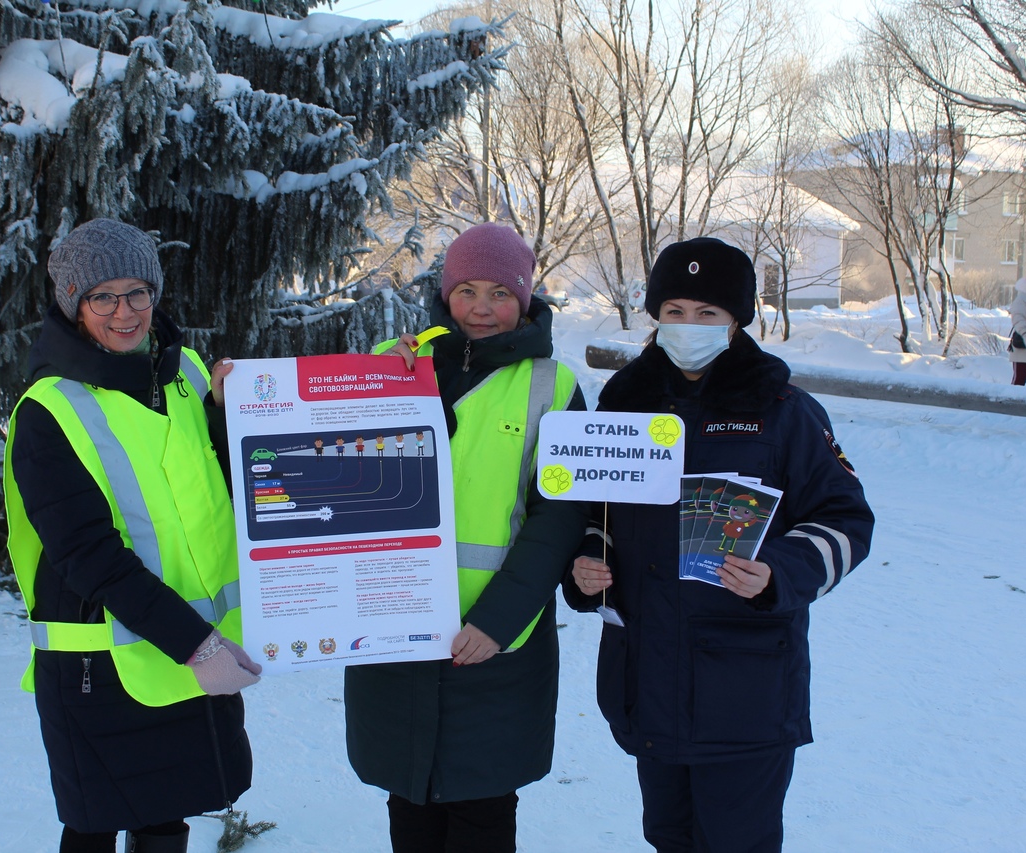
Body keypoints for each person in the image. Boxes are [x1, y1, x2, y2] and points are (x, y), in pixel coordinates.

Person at [565, 237, 874, 853]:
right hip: (644, 676)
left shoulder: (784, 411)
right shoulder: (622, 404)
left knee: (736, 841)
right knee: (669, 835)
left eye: (708, 313)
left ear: (737, 321)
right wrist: (587, 561)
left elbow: (845, 519)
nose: (689, 326)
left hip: (745, 688)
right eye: (675, 310)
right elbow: (591, 509)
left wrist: (777, 572)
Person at [4, 218, 261, 853]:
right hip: (102, 662)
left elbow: (232, 491)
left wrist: (235, 419)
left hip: (191, 655)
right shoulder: (50, 411)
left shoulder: (189, 377)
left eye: (138, 292)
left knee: (166, 816)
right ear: (72, 303)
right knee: (94, 827)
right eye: (103, 297)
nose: (125, 313)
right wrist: (197, 646)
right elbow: (87, 554)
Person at [343, 222, 589, 853]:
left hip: (496, 645)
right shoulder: (386, 368)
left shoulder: (553, 387)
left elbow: (557, 519)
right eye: (467, 290)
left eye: (501, 293)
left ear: (527, 299)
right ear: (445, 294)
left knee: (483, 805)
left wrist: (498, 622)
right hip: (392, 628)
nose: (483, 307)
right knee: (410, 802)